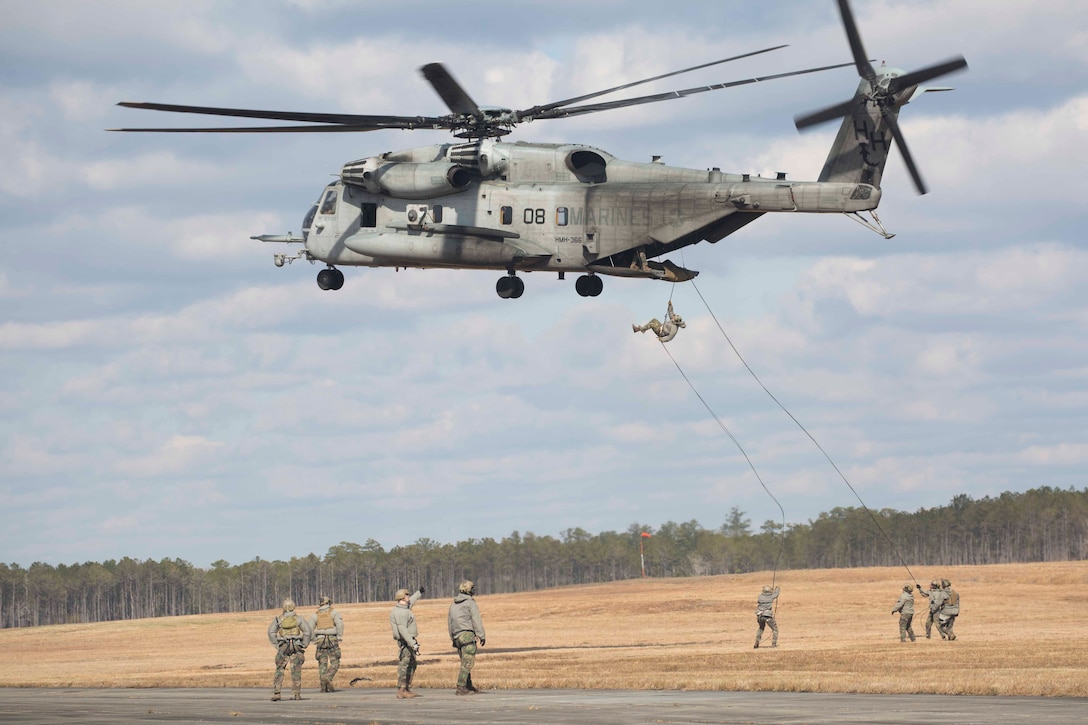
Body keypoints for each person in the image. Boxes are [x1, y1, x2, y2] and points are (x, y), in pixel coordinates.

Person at [267, 598, 313, 701]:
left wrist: (277, 645)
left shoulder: (278, 619)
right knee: (296, 670)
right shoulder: (299, 619)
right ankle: (297, 694)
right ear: (293, 607)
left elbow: (271, 632)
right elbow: (308, 632)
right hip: (296, 646)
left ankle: (277, 692)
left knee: (280, 669)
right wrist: (303, 645)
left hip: (283, 646)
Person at [448, 580, 487, 695]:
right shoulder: (470, 603)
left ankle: (468, 685)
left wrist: (453, 638)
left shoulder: (453, 604)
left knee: (465, 662)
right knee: (467, 663)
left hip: (457, 636)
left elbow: (450, 622)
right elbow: (476, 620)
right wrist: (481, 635)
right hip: (467, 635)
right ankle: (461, 687)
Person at [389, 586, 424, 699]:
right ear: (403, 597)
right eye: (407, 595)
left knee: (412, 664)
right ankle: (402, 689)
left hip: (409, 640)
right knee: (404, 664)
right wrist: (412, 643)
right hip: (406, 641)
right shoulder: (401, 613)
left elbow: (411, 601)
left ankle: (406, 688)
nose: (409, 597)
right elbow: (403, 630)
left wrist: (419, 593)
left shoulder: (404, 608)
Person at [309, 595, 344, 692]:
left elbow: (309, 629)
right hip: (332, 640)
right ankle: (328, 677)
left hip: (320, 641)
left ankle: (323, 688)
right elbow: (339, 624)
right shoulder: (334, 613)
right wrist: (339, 636)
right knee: (335, 662)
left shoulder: (315, 615)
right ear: (329, 603)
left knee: (322, 664)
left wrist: (314, 640)